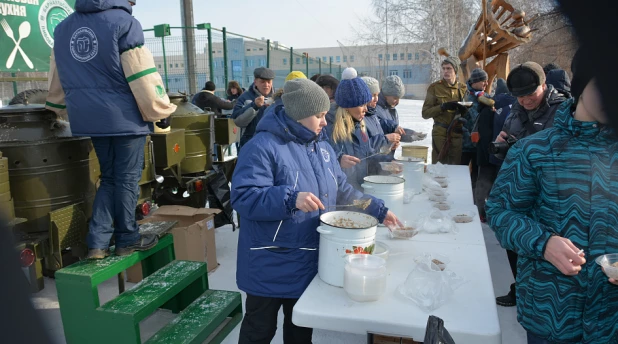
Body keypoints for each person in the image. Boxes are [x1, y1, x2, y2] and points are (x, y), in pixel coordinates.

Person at [231, 78, 400, 344]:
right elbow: (244, 196)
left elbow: (342, 190)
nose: (325, 121)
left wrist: (377, 209)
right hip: (270, 262)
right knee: (259, 331)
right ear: (299, 115)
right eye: (320, 116)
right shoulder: (262, 147)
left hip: (306, 260)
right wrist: (289, 198)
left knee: (300, 331)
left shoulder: (321, 146)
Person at [486, 49, 618, 344]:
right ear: (585, 86)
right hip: (551, 316)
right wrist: (542, 243)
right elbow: (499, 211)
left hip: (611, 320)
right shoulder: (535, 151)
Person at [45, 0, 176, 259]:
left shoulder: (63, 29)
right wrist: (160, 110)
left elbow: (57, 73)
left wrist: (55, 106)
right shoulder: (124, 23)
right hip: (125, 116)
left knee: (110, 178)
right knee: (126, 178)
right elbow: (141, 73)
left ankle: (97, 242)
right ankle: (128, 239)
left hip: (89, 117)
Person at [493, 61, 567, 307]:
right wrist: (503, 143)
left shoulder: (563, 111)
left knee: (541, 247)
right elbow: (508, 134)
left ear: (544, 84)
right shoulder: (516, 109)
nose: (525, 100)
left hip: (547, 195)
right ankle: (520, 287)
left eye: (530, 94)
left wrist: (525, 151)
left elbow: (565, 154)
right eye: (519, 96)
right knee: (514, 242)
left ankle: (538, 296)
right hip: (517, 189)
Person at [325, 67, 374, 190]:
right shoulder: (327, 127)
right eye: (361, 105)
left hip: (360, 191)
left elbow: (368, 154)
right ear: (347, 106)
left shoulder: (360, 124)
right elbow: (321, 162)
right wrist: (338, 160)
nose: (366, 109)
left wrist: (387, 162)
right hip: (341, 196)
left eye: (366, 104)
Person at [473, 78, 514, 223]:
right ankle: (490, 213)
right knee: (494, 184)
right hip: (499, 153)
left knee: (483, 182)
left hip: (486, 151)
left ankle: (481, 212)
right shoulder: (510, 107)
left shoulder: (489, 107)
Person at [422, 56, 468, 164]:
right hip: (440, 133)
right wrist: (443, 107)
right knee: (439, 166)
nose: (445, 71)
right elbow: (425, 113)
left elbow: (468, 110)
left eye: (449, 68)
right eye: (444, 68)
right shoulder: (434, 88)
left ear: (455, 70)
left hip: (457, 132)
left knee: (455, 166)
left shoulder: (463, 88)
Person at [361, 76, 401, 175]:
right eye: (373, 95)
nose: (376, 99)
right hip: (367, 173)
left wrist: (389, 146)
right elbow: (364, 149)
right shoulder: (360, 118)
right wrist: (386, 139)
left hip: (377, 168)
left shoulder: (372, 114)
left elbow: (377, 145)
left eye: (377, 95)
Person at [232, 67, 275, 149]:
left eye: (269, 82)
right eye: (262, 82)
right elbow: (236, 120)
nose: (266, 85)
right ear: (255, 82)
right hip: (249, 144)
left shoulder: (277, 98)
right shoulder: (244, 98)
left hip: (272, 144)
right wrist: (254, 106)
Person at [462, 68, 488, 191]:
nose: (486, 84)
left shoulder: (487, 97)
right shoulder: (465, 98)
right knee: (461, 174)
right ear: (475, 82)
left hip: (481, 146)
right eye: (484, 81)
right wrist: (469, 136)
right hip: (466, 145)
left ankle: (474, 200)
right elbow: (460, 121)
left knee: (477, 177)